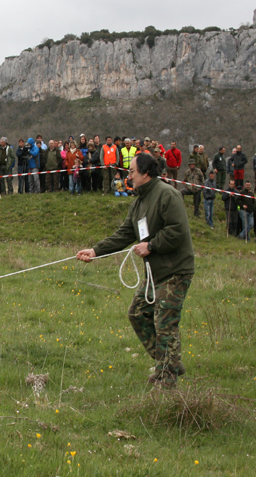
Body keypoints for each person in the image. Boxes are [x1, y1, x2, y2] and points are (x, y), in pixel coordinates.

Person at [76, 152, 195, 387]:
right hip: (155, 274)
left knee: (164, 323)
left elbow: (177, 230)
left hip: (174, 271)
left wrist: (151, 245)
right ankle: (168, 362)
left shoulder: (168, 195)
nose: (128, 175)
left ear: (146, 172)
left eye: (131, 171)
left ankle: (167, 379)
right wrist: (96, 251)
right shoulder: (139, 202)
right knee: (137, 314)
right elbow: (125, 234)